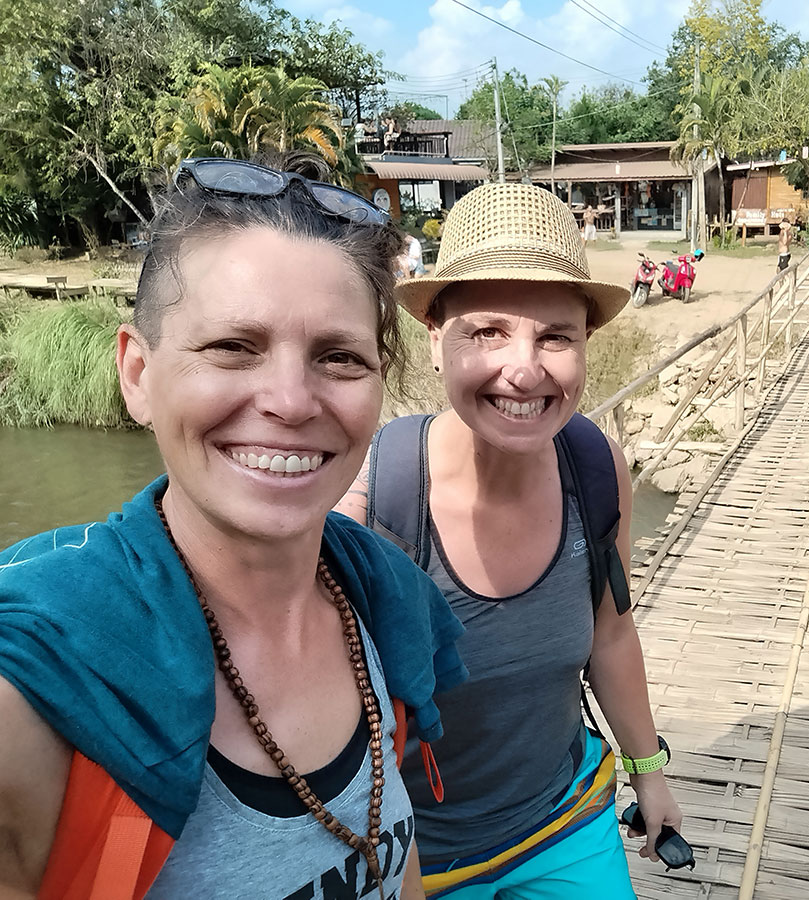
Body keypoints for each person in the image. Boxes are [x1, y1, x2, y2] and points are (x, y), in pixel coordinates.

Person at [0, 157, 467, 899]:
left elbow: (388, 846)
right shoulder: (42, 689)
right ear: (137, 375)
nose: (289, 400)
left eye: (338, 357)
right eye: (232, 347)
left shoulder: (380, 602)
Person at [336, 183, 683, 898]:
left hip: (566, 821)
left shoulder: (594, 466)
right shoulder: (374, 501)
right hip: (418, 861)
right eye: (488, 331)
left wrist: (651, 775)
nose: (524, 369)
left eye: (556, 335)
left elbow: (610, 635)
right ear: (435, 337)